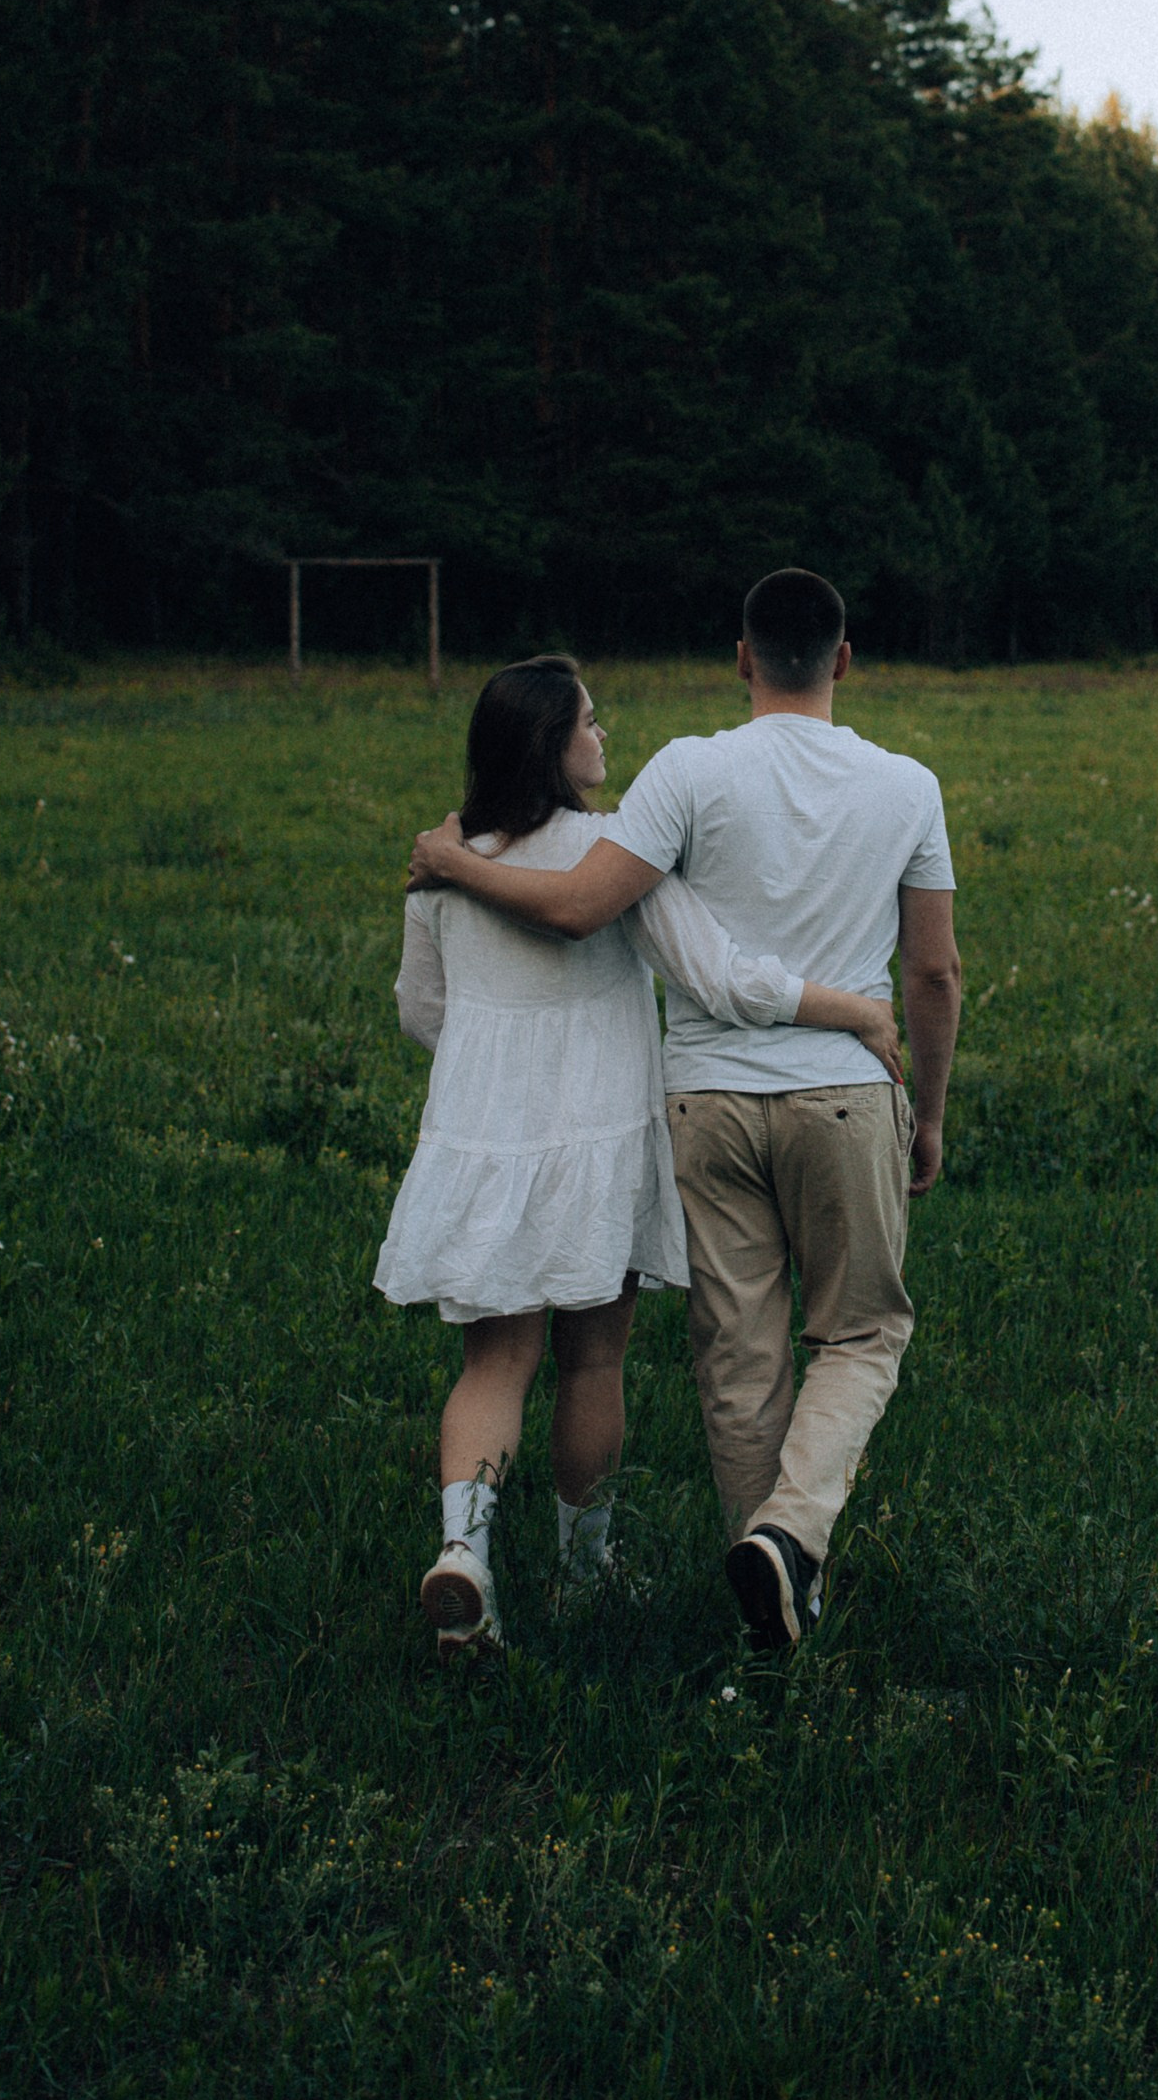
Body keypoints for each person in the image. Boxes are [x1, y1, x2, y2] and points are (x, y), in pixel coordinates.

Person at [410, 569, 961, 1654]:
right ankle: (785, 1540)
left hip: (687, 1104)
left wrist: (444, 860)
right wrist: (921, 1102)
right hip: (832, 1092)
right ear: (843, 659)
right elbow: (931, 972)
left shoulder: (684, 772)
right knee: (852, 1332)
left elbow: (465, 979)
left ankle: (737, 1579)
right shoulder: (906, 782)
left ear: (741, 656)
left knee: (731, 1357)